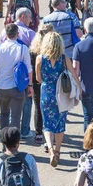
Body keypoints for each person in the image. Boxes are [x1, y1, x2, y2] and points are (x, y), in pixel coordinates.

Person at [36, 31, 81, 166]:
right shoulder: (64, 58)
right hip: (61, 93)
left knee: (47, 124)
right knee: (60, 124)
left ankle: (50, 149)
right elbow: (73, 74)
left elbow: (38, 78)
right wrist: (79, 89)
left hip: (46, 93)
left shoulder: (40, 58)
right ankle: (57, 151)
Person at [0, 23, 33, 130]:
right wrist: (30, 86)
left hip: (2, 87)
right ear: (17, 34)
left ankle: (4, 142)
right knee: (15, 117)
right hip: (17, 87)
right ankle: (13, 143)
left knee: (4, 114)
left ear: (6, 34)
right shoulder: (23, 48)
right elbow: (29, 70)